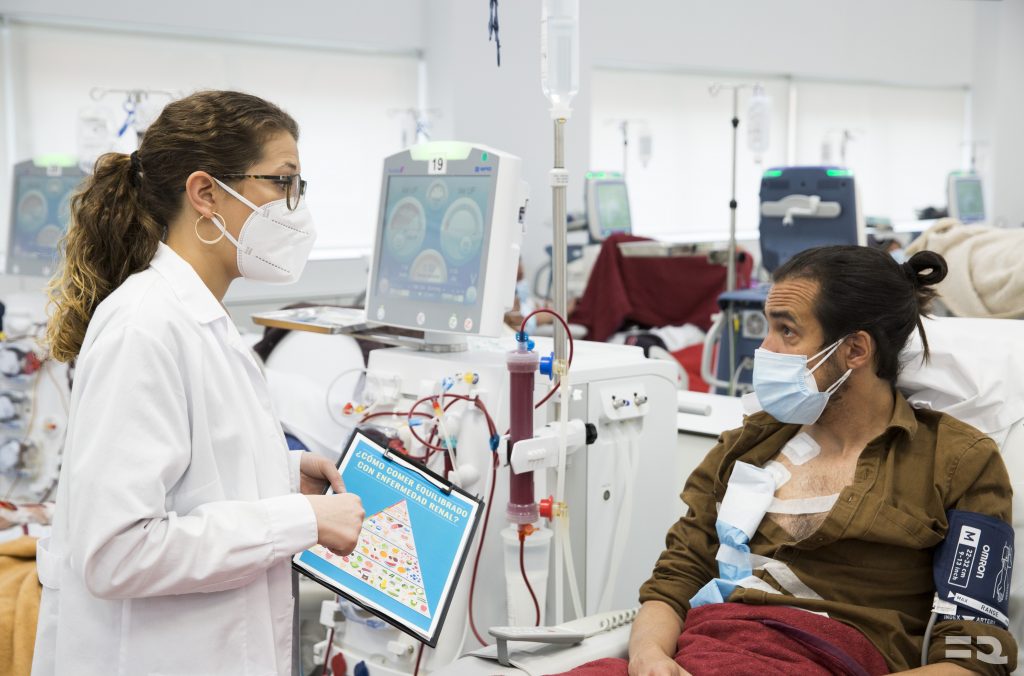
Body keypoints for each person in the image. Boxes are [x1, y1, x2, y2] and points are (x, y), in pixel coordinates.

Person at [32, 90, 365, 675]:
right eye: (283, 183)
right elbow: (117, 552)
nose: (296, 208)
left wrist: (284, 472)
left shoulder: (200, 317)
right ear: (206, 193)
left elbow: (192, 474)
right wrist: (301, 521)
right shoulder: (144, 327)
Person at [565, 246, 1015, 676]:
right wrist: (648, 656)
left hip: (824, 656)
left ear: (855, 350)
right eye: (768, 328)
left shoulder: (955, 462)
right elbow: (675, 580)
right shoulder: (746, 447)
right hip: (704, 649)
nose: (765, 350)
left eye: (787, 331)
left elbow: (974, 655)